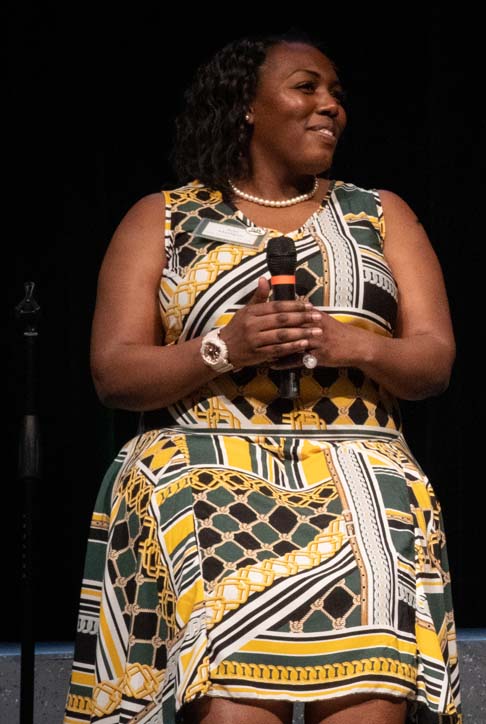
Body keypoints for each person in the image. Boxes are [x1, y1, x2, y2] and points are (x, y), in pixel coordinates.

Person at [64, 35, 461, 724]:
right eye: (307, 88)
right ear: (247, 107)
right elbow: (114, 371)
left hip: (359, 472)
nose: (329, 106)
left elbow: (432, 361)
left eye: (336, 93)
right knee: (235, 705)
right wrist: (224, 347)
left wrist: (352, 344)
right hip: (203, 470)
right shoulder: (162, 217)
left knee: (369, 700)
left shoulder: (378, 213)